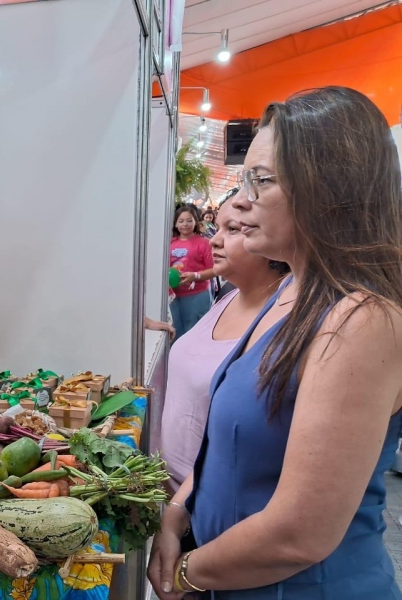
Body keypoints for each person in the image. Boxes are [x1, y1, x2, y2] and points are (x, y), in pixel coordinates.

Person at [149, 87, 402, 599]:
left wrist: (186, 573)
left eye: (262, 180)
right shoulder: (289, 291)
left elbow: (298, 535)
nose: (241, 200)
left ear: (328, 189)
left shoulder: (362, 319)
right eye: (245, 179)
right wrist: (178, 512)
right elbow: (225, 447)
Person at [160, 197, 287, 494]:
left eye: (232, 229)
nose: (214, 241)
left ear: (272, 239)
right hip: (174, 491)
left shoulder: (281, 321)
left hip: (210, 498)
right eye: (217, 228)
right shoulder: (228, 298)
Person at [169, 206, 215, 340]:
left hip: (197, 296)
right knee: (175, 334)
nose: (185, 224)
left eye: (189, 220)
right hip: (173, 297)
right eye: (181, 221)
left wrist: (195, 276)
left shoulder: (204, 243)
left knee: (195, 335)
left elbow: (214, 270)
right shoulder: (169, 243)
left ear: (196, 222)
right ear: (175, 224)